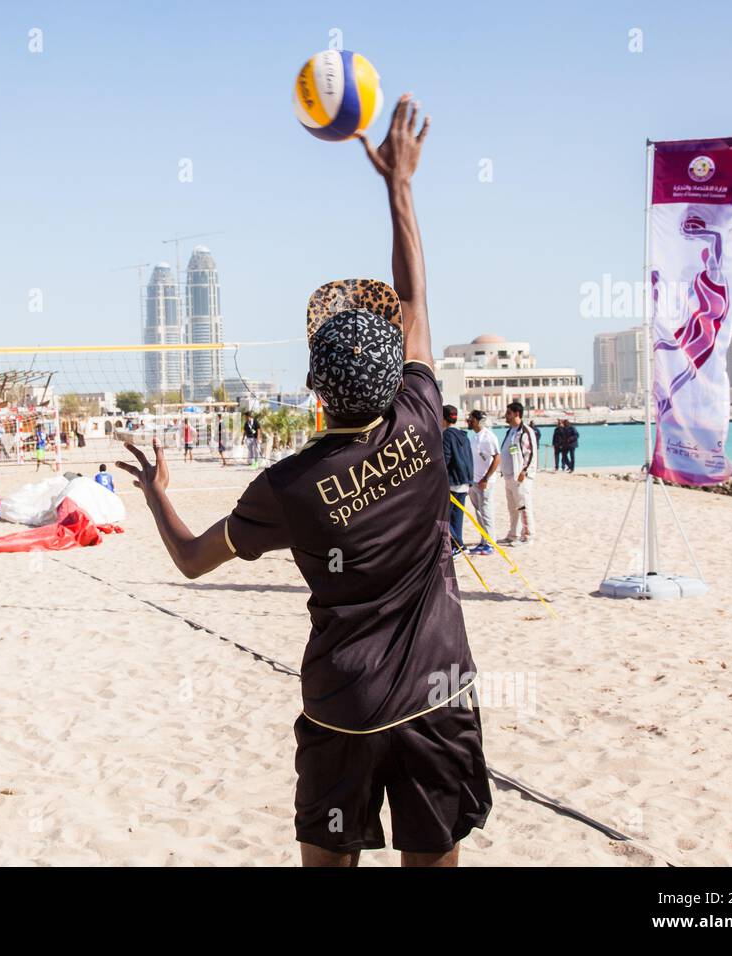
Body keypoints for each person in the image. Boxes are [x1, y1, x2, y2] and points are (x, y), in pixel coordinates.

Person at [119, 95, 490, 867]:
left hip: (341, 703)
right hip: (436, 693)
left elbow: (190, 561)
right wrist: (399, 185)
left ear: (316, 388)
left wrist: (158, 495)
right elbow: (416, 300)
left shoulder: (286, 487)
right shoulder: (423, 415)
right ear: (397, 374)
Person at [498, 401, 536, 546]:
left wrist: (524, 471)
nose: (506, 416)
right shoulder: (511, 431)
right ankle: (513, 534)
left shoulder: (525, 431)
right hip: (508, 476)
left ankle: (528, 535)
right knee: (512, 507)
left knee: (523, 506)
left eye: (508, 413)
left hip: (520, 477)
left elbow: (530, 453)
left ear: (516, 414)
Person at [465, 410, 500, 555]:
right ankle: (483, 540)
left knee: (486, 512)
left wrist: (485, 478)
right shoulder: (474, 437)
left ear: (478, 421)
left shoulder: (489, 437)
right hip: (473, 481)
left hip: (486, 482)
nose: (469, 421)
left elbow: (497, 458)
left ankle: (491, 543)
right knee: (478, 512)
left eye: (471, 419)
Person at [441, 405, 474, 556]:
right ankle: (458, 546)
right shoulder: (463, 435)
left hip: (453, 481)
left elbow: (445, 458)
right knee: (457, 516)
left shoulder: (447, 435)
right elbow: (469, 457)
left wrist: (439, 476)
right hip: (464, 480)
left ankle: (459, 544)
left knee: (444, 517)